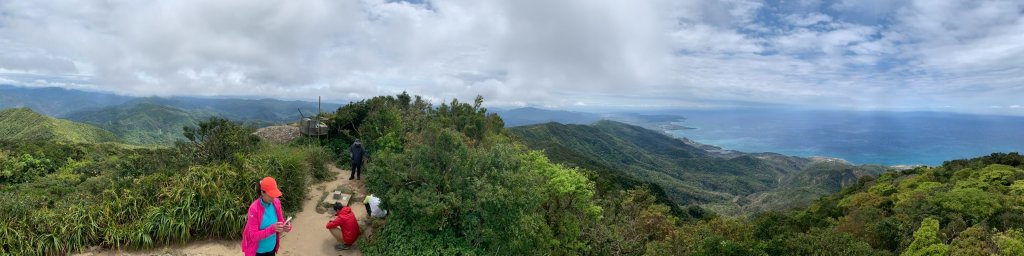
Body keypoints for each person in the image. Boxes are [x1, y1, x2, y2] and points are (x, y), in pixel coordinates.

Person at [242, 177, 292, 256]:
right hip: (258, 252)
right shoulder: (254, 209)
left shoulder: (276, 203)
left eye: (274, 194)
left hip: (272, 248)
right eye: (270, 195)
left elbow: (281, 221)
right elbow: (253, 236)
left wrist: (286, 226)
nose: (273, 197)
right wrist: (272, 229)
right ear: (262, 192)